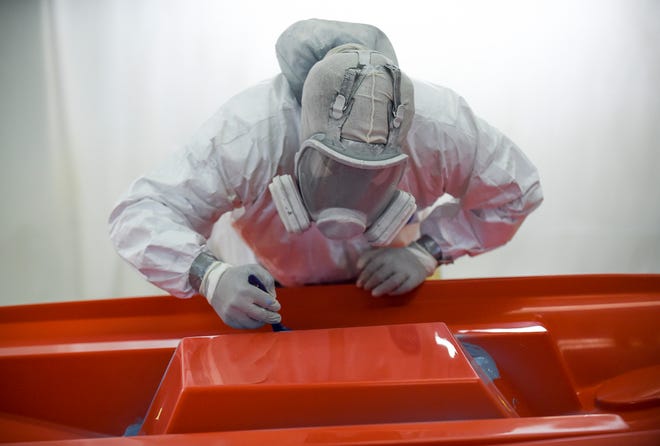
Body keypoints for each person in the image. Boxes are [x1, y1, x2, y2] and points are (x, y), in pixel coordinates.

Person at [109, 19, 543, 329]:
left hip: (395, 282)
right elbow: (141, 212)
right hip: (267, 284)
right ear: (302, 131)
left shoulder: (438, 126)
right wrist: (208, 273)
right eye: (335, 167)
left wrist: (427, 251)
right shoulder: (251, 132)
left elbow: (516, 192)